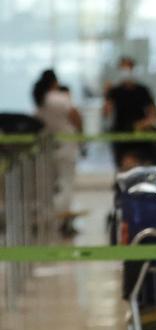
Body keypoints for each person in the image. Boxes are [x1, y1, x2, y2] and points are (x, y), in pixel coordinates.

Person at [33, 70, 83, 236]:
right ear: (54, 82)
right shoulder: (59, 98)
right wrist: (81, 133)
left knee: (50, 185)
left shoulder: (40, 100)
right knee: (66, 184)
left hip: (49, 146)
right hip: (66, 144)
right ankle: (61, 220)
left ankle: (48, 219)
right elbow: (75, 115)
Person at [103, 57, 156, 171]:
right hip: (121, 134)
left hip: (141, 136)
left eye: (128, 68)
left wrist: (144, 123)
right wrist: (106, 95)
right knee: (124, 168)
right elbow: (106, 114)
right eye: (123, 68)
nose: (126, 71)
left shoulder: (143, 90)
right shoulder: (114, 91)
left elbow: (154, 113)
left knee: (145, 166)